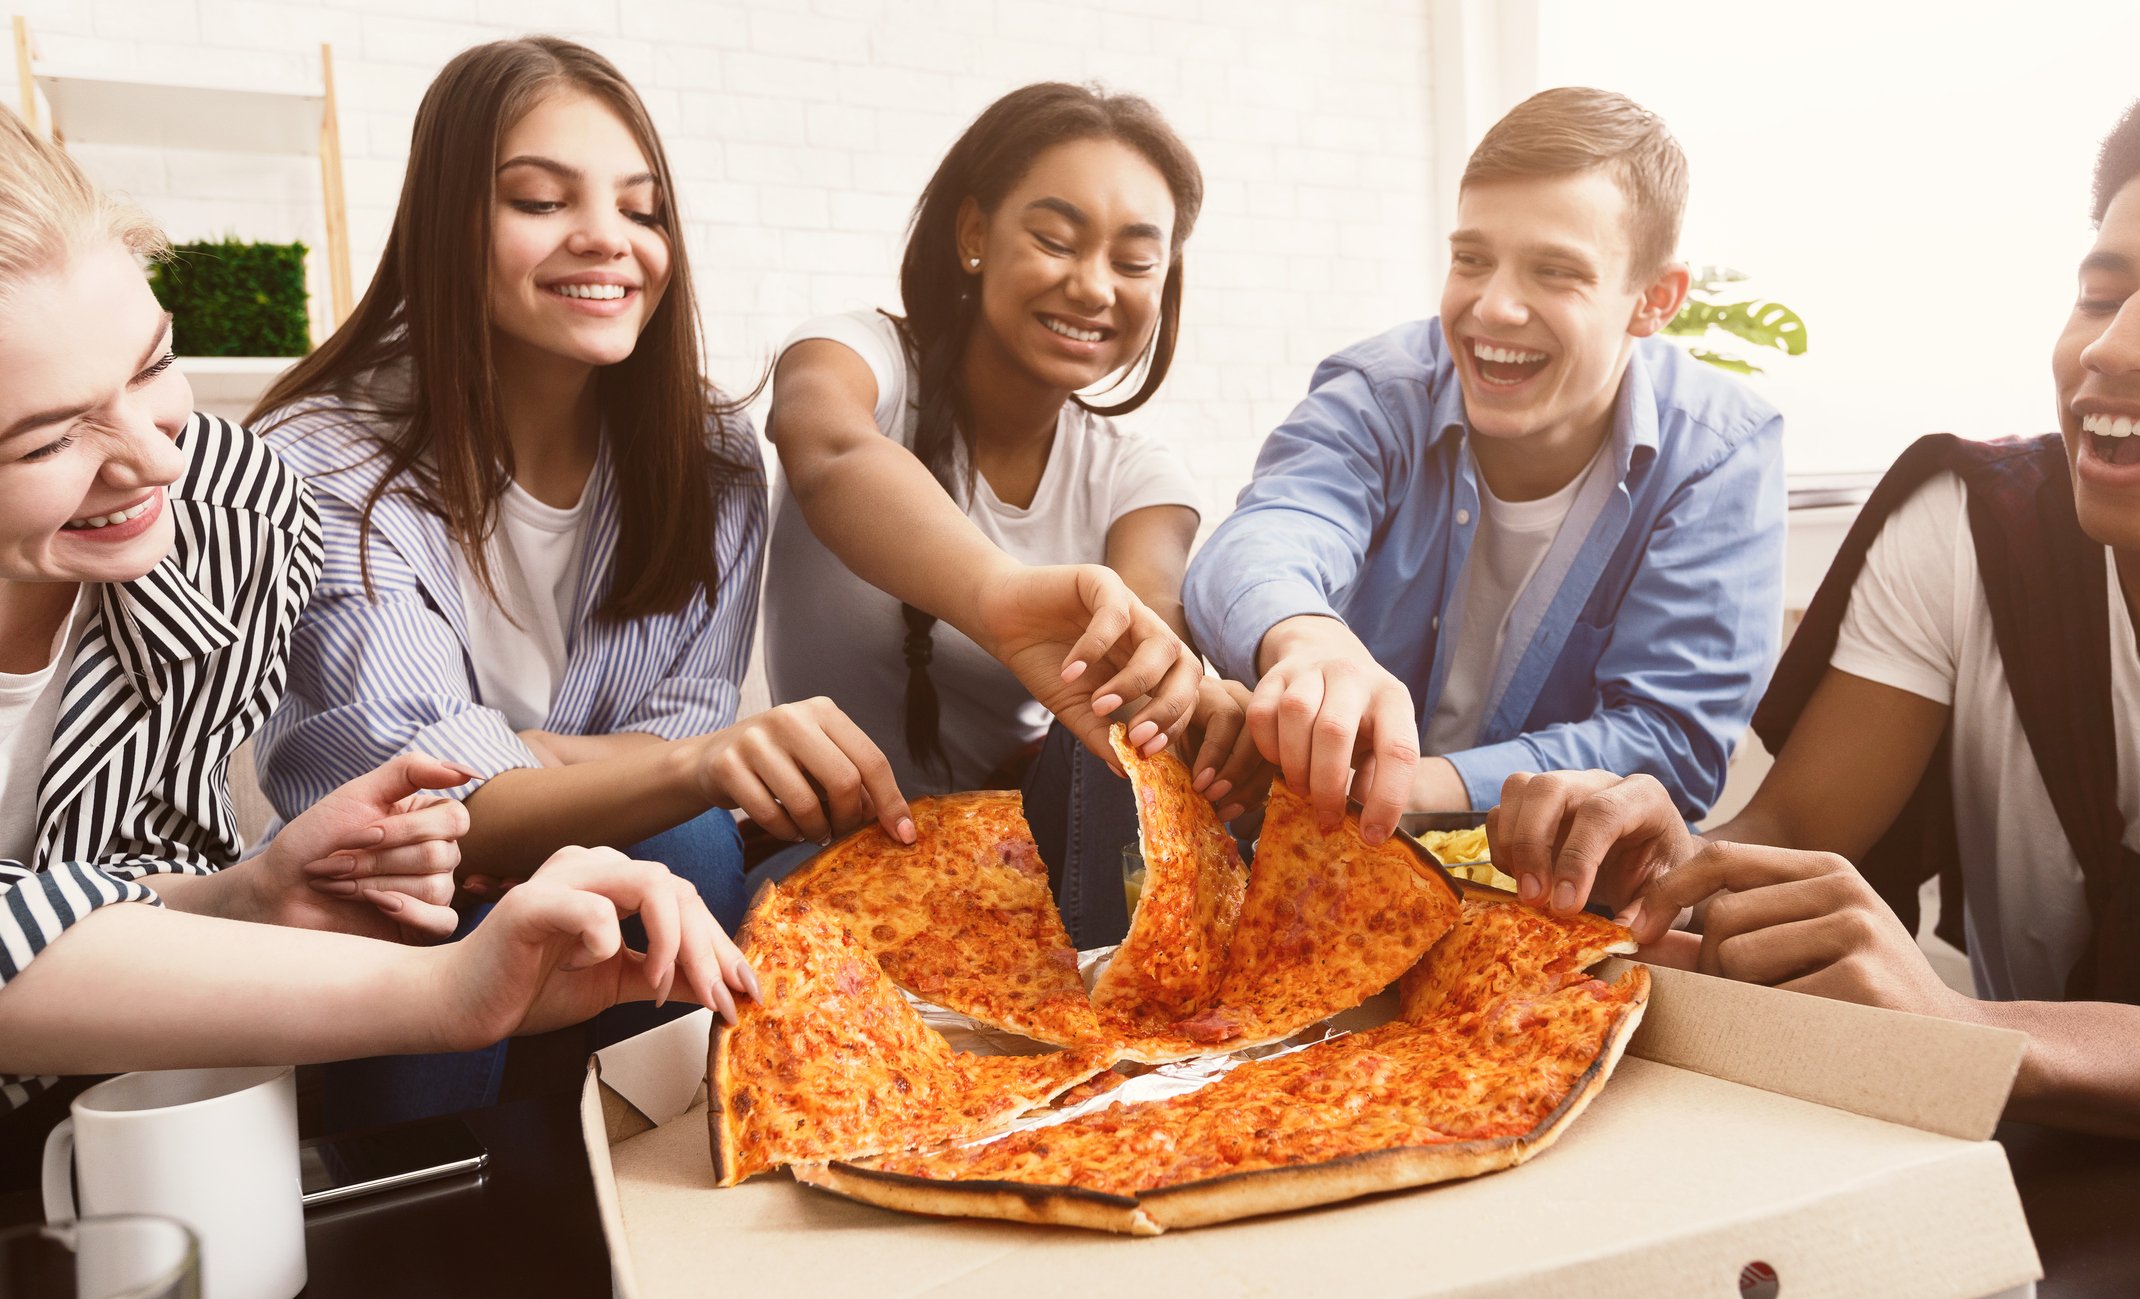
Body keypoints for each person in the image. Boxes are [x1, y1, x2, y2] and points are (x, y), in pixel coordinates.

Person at [1492, 38, 2140, 1147]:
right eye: (2098, 291)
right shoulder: (1975, 529)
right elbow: (1785, 835)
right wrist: (1659, 863)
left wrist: (1977, 1036)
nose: (2115, 348)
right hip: (2004, 1191)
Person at [0, 104, 750, 1177]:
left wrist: (241, 898)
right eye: (49, 439)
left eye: (150, 367)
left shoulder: (229, 510)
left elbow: (117, 874)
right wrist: (450, 993)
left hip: (128, 1091)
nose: (153, 463)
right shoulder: (326, 460)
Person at [247, 37, 840, 1122]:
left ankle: (647, 1169)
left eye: (641, 208)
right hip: (404, 915)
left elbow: (668, 746)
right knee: (523, 878)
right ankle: (454, 1219)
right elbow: (424, 813)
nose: (608, 240)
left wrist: (539, 777)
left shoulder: (706, 464)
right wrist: (595, 784)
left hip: (624, 894)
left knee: (695, 842)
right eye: (538, 198)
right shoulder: (314, 457)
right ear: (446, 223)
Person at [1181, 87, 1785, 855]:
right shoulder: (1382, 391)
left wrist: (1416, 784)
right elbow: (1264, 535)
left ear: (1653, 300)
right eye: (1471, 258)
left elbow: (1671, 741)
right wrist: (1307, 641)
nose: (1493, 307)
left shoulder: (1717, 454)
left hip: (1544, 901)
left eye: (1554, 271)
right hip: (1305, 875)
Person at [767, 83, 1266, 943]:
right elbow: (829, 450)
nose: (1092, 286)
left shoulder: (1138, 473)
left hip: (1033, 865)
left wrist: (1195, 694)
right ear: (973, 235)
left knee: (1133, 698)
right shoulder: (860, 356)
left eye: (1134, 261)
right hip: (835, 839)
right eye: (1054, 239)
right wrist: (1000, 598)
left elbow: (1145, 618)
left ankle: (1081, 1023)